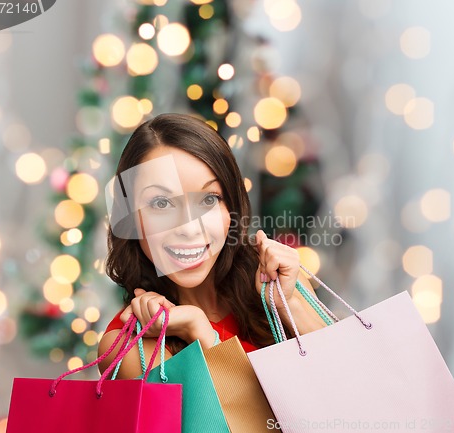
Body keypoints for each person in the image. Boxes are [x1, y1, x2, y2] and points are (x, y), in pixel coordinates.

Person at [98, 113, 327, 379]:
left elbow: (353, 383)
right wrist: (201, 332)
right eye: (161, 204)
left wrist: (291, 306)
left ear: (231, 206)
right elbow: (256, 420)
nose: (190, 228)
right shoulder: (131, 346)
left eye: (208, 199)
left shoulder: (280, 279)